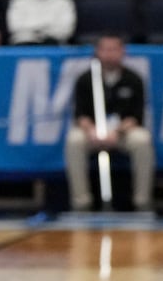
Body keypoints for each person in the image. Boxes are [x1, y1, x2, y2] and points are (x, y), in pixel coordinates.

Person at [63, 35, 154, 212]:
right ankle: (81, 202)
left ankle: (142, 202)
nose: (109, 54)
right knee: (74, 140)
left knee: (142, 140)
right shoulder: (85, 79)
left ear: (123, 52)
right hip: (92, 132)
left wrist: (116, 132)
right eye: (105, 49)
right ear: (97, 52)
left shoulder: (133, 79)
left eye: (114, 49)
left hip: (122, 132)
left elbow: (136, 117)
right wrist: (93, 131)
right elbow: (80, 115)